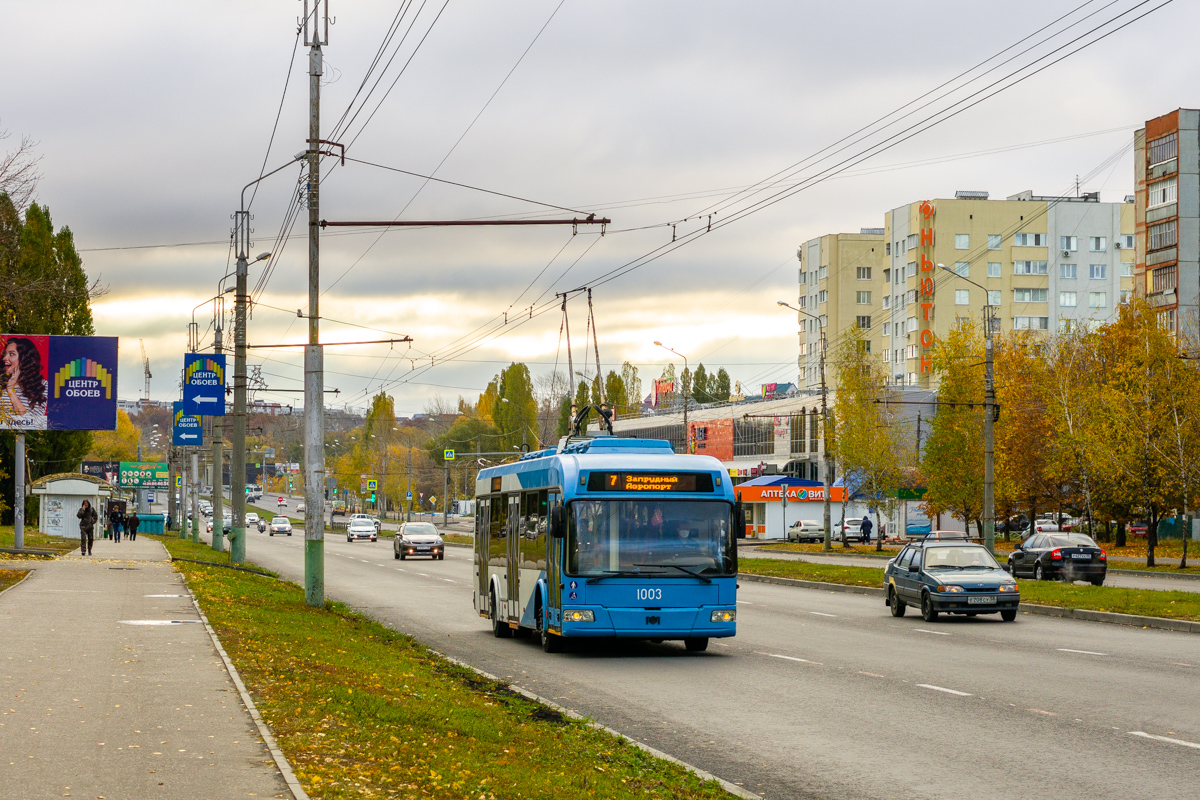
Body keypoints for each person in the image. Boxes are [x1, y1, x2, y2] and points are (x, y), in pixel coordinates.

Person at [0, 336, 48, 429]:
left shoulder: (41, 385)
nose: (5, 358)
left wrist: (11, 391)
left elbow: (33, 423)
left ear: (24, 358)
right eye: (5, 354)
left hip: (26, 437)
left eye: (11, 354)